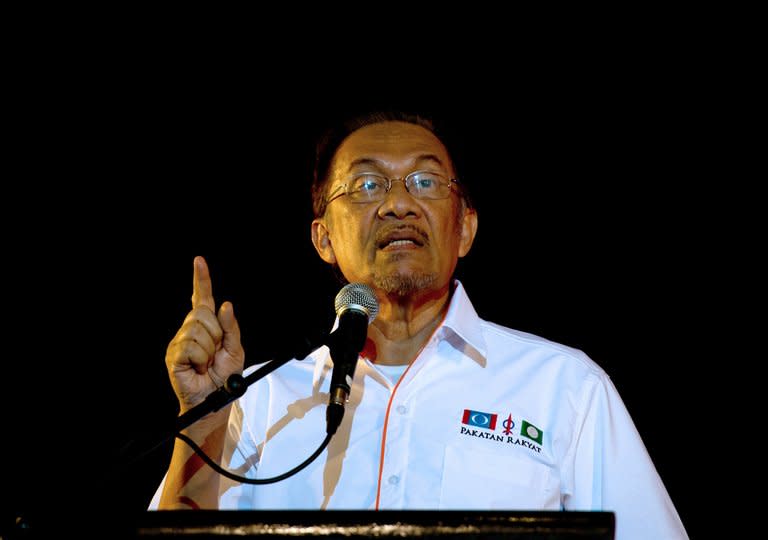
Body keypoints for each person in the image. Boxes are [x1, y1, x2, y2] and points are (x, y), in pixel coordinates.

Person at [149, 110, 688, 539]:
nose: (398, 204)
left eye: (425, 181)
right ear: (323, 239)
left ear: (466, 229)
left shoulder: (566, 388)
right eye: (366, 186)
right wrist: (199, 418)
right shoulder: (255, 399)